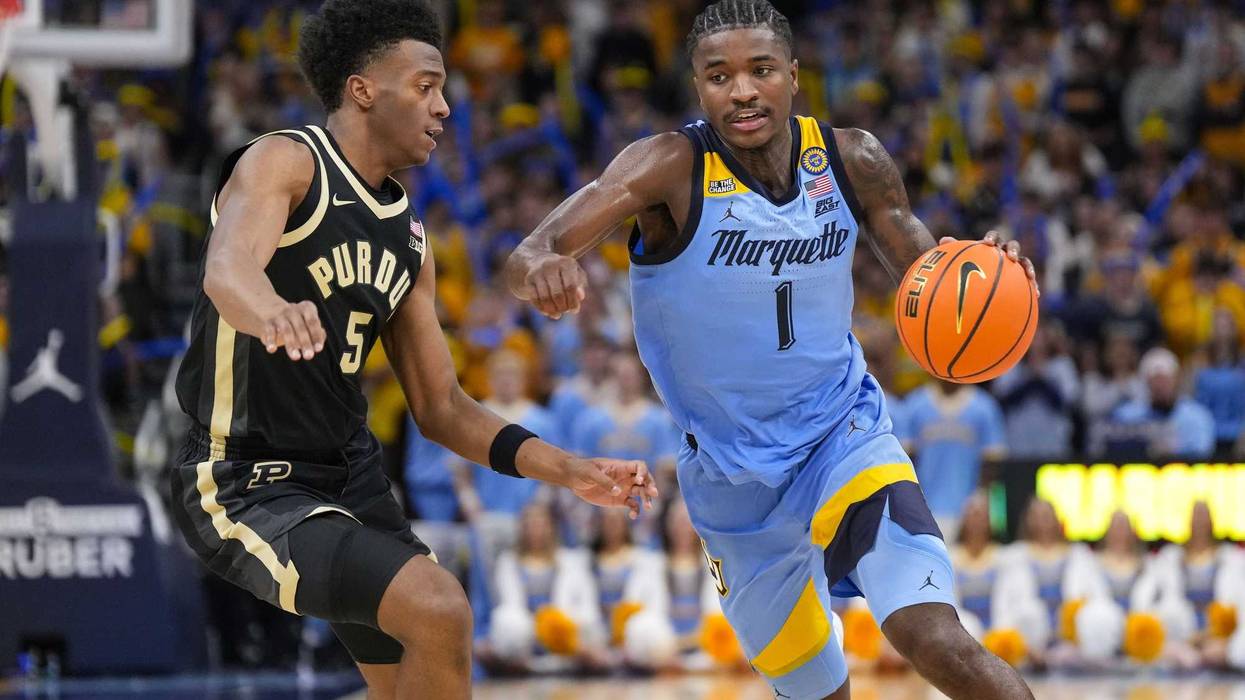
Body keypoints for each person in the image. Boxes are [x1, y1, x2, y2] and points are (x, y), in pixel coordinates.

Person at [504, 2, 1037, 697]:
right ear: (699, 88)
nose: (742, 90)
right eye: (718, 76)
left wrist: (984, 278)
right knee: (818, 691)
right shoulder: (668, 166)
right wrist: (543, 264)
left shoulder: (853, 159)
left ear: (792, 74)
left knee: (935, 638)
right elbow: (527, 252)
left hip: (840, 436)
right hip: (732, 484)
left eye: (759, 70)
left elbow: (931, 277)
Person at [167, 2, 657, 698]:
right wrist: (272, 310)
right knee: (439, 610)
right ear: (363, 88)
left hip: (353, 480)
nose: (444, 108)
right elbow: (227, 268)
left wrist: (568, 469)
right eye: (425, 86)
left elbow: (443, 407)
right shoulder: (286, 160)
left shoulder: (410, 240)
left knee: (412, 675)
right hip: (246, 478)